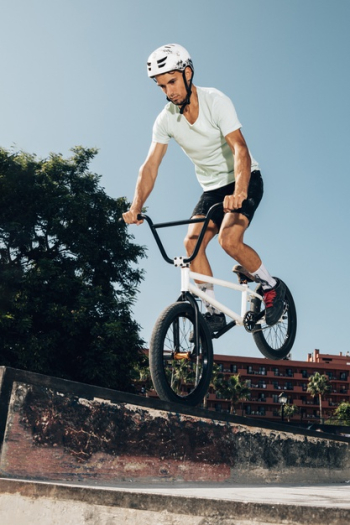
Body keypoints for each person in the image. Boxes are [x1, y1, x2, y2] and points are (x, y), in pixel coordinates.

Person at [123, 43, 285, 334]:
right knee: (191, 244)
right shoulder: (166, 120)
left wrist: (240, 192)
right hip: (212, 190)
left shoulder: (215, 101)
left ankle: (272, 287)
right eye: (161, 86)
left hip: (243, 177)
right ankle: (212, 310)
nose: (168, 91)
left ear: (187, 73)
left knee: (229, 241)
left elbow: (239, 148)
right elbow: (150, 166)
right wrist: (136, 206)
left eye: (171, 81)